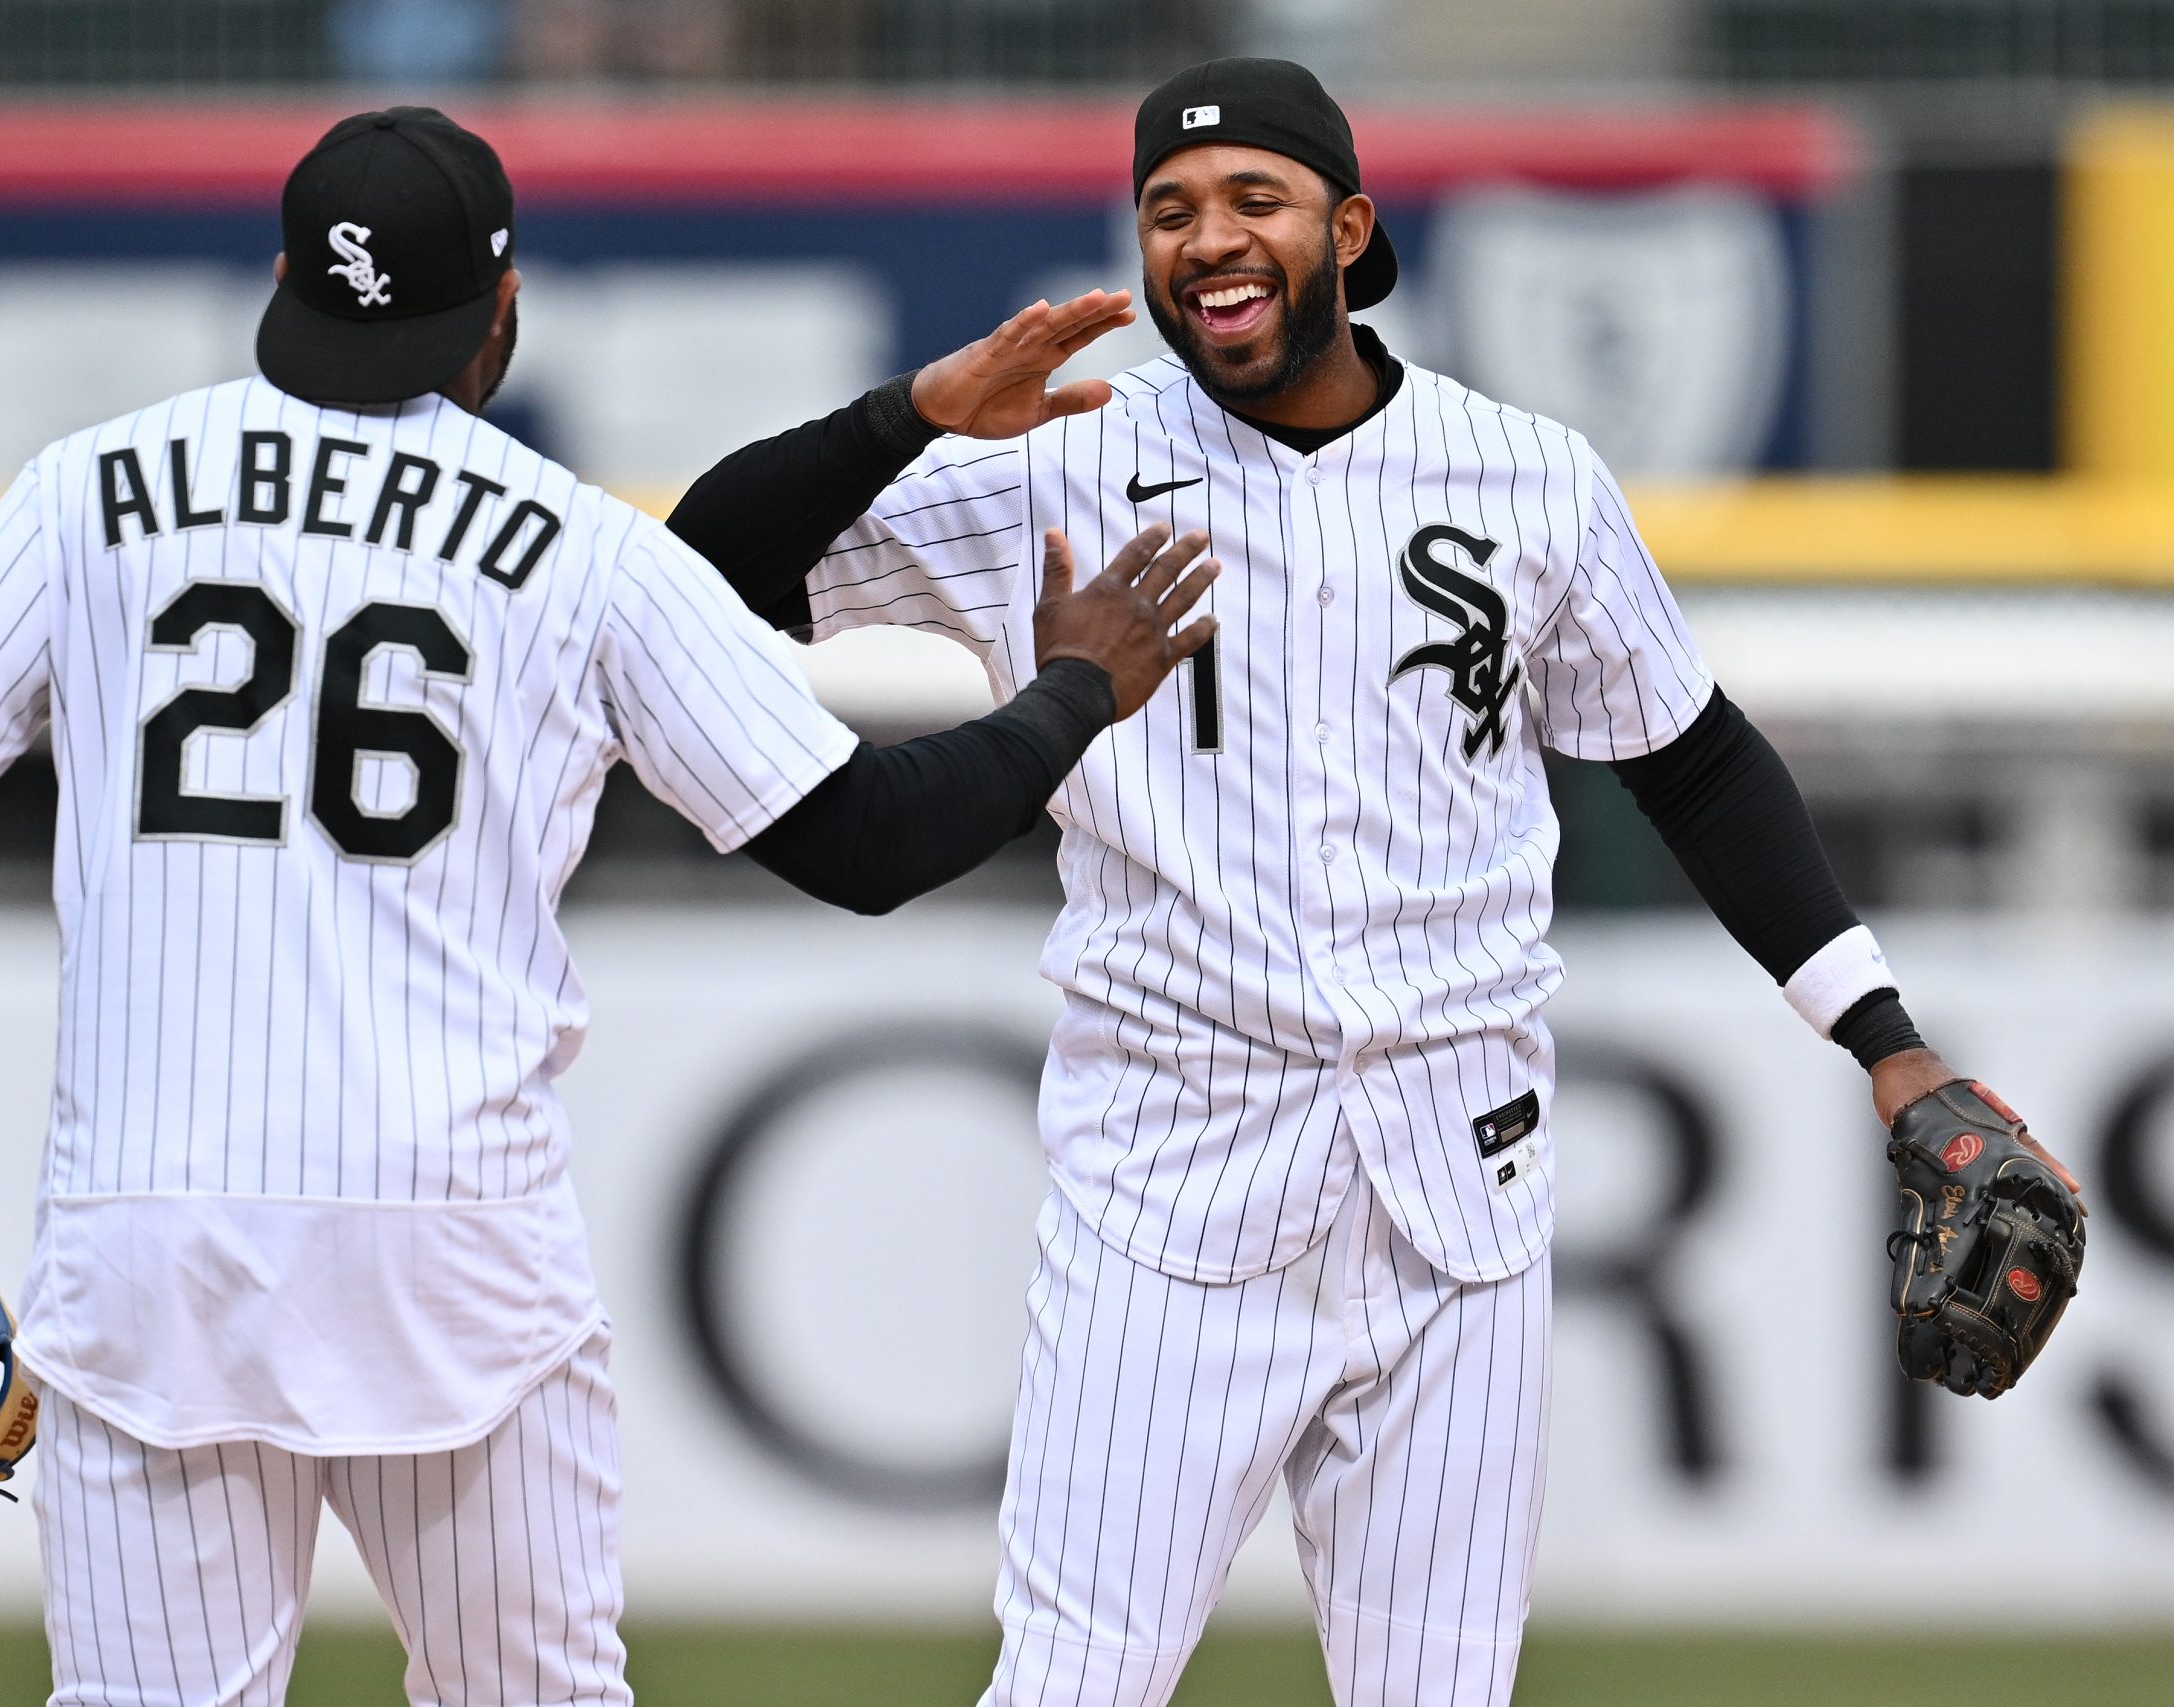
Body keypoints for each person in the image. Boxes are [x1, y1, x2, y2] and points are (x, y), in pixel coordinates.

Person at [665, 56, 2080, 1707]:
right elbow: (703, 570)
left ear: (1347, 226)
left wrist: (1890, 1045)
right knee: (1068, 1686)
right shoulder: (1059, 459)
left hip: (1457, 1187)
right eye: (1168, 213)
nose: (1208, 240)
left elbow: (1692, 762)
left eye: (1251, 200)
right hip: (1169, 1175)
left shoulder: (1525, 476)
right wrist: (911, 414)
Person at [0, 107, 1213, 1707]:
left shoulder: (89, 491)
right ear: (500, 312)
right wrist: (1076, 690)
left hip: (155, 1242)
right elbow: (865, 841)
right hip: (450, 1254)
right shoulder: (577, 550)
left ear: (283, 281)